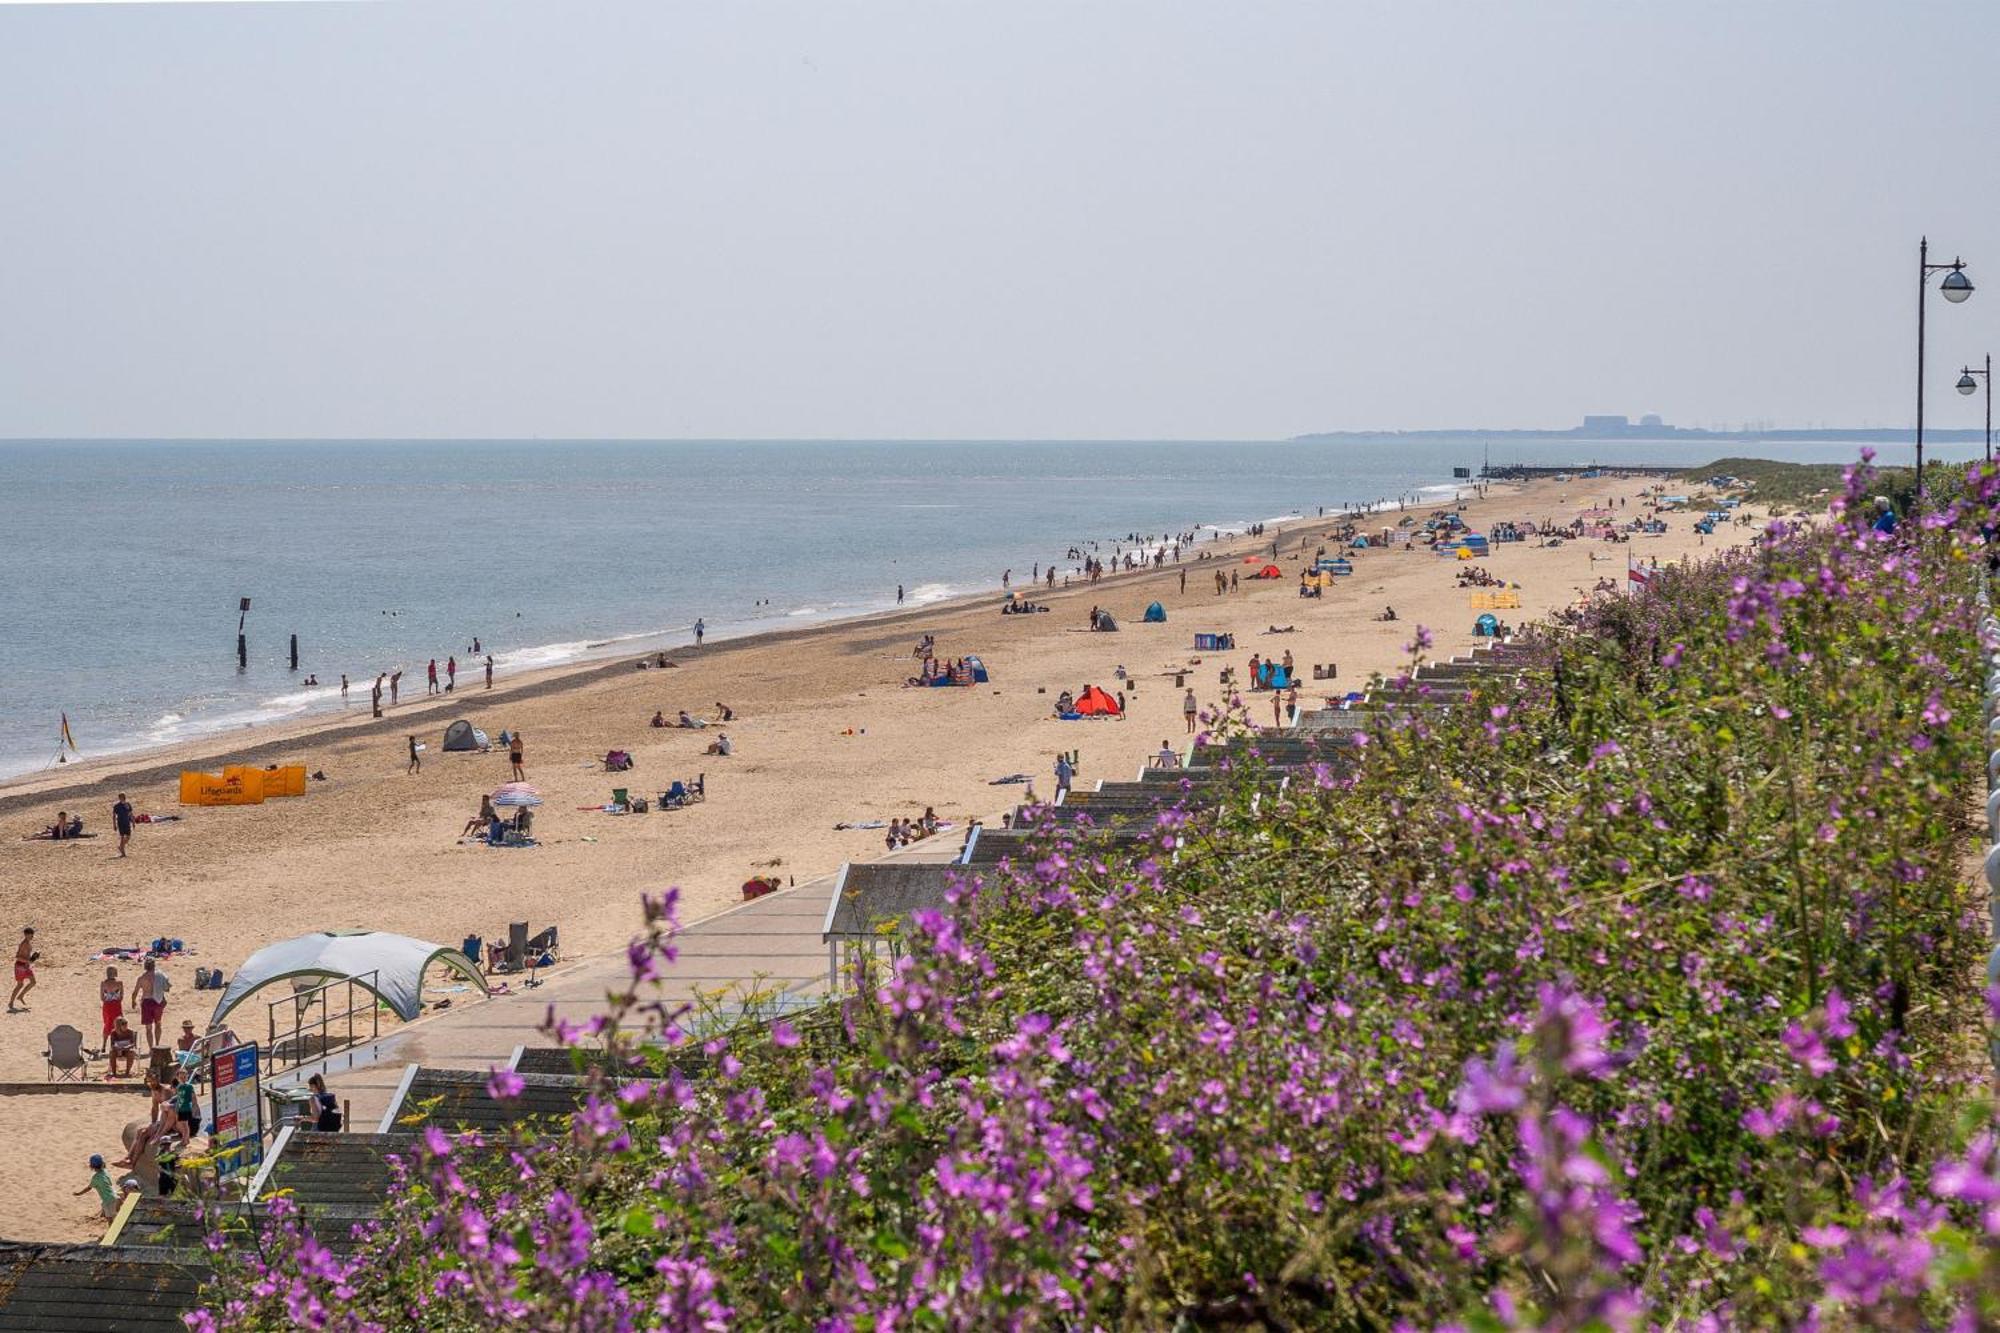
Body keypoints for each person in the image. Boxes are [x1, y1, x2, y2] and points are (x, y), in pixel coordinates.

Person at [75, 1155, 123, 1221]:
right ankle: (105, 1213)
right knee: (107, 1206)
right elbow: (110, 1183)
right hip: (114, 1195)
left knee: (110, 1218)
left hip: (108, 1201)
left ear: (91, 1166)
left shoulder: (95, 1178)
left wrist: (79, 1193)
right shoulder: (105, 1172)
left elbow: (88, 1188)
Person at [137, 958, 170, 1049]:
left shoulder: (142, 978)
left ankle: (151, 1047)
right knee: (158, 1024)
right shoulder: (160, 975)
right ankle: (157, 1044)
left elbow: (135, 992)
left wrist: (133, 1001)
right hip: (158, 1001)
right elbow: (166, 987)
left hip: (147, 1001)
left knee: (148, 1027)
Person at [9, 926, 35, 1012]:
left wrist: (32, 958)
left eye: (33, 935)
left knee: (33, 982)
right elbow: (18, 957)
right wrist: (28, 960)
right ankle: (11, 1002)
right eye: (31, 935)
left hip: (26, 966)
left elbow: (26, 955)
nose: (32, 937)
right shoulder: (24, 944)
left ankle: (20, 996)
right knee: (20, 985)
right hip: (20, 966)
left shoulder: (28, 943)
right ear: (26, 935)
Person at [100, 966, 125, 1042]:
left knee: (107, 1024)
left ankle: (104, 1044)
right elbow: (121, 996)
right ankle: (117, 1041)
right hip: (116, 1005)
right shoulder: (119, 983)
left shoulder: (103, 983)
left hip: (107, 1005)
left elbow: (102, 997)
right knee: (119, 1023)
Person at [112, 792, 134, 858]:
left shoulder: (128, 804)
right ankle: (123, 853)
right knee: (122, 837)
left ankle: (121, 846)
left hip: (127, 822)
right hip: (120, 823)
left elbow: (130, 813)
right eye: (121, 797)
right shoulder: (117, 806)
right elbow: (114, 816)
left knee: (128, 836)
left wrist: (133, 822)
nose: (123, 798)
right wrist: (114, 825)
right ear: (119, 798)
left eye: (124, 796)